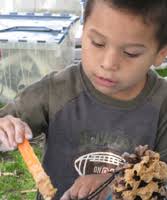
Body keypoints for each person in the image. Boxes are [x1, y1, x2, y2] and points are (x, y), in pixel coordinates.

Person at [0, 0, 167, 199]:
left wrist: (116, 182)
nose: (108, 63)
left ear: (161, 54)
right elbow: (5, 126)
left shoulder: (162, 104)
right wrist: (6, 130)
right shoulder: (57, 90)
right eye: (97, 42)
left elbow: (161, 178)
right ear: (83, 29)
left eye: (130, 53)